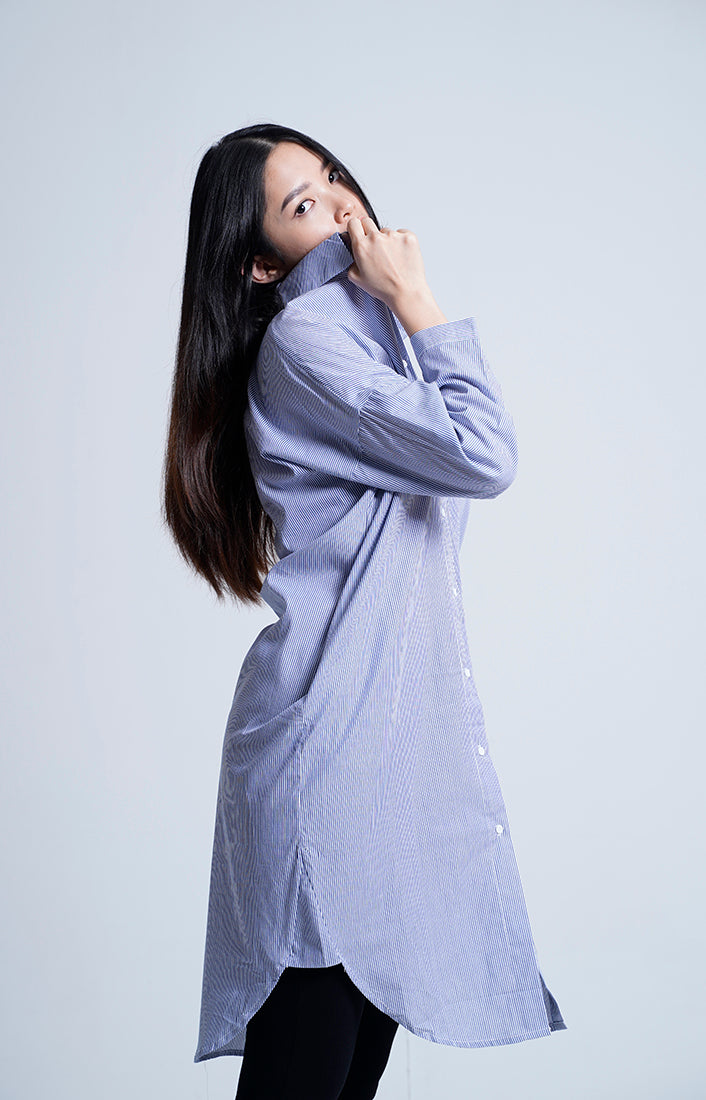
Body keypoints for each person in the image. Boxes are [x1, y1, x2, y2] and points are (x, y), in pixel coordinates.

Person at [163, 122, 567, 1099]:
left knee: (346, 1074)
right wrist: (420, 300)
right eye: (304, 204)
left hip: (380, 763)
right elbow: (484, 454)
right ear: (262, 265)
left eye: (333, 176)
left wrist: (398, 312)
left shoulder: (360, 330)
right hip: (332, 757)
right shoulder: (310, 340)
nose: (342, 201)